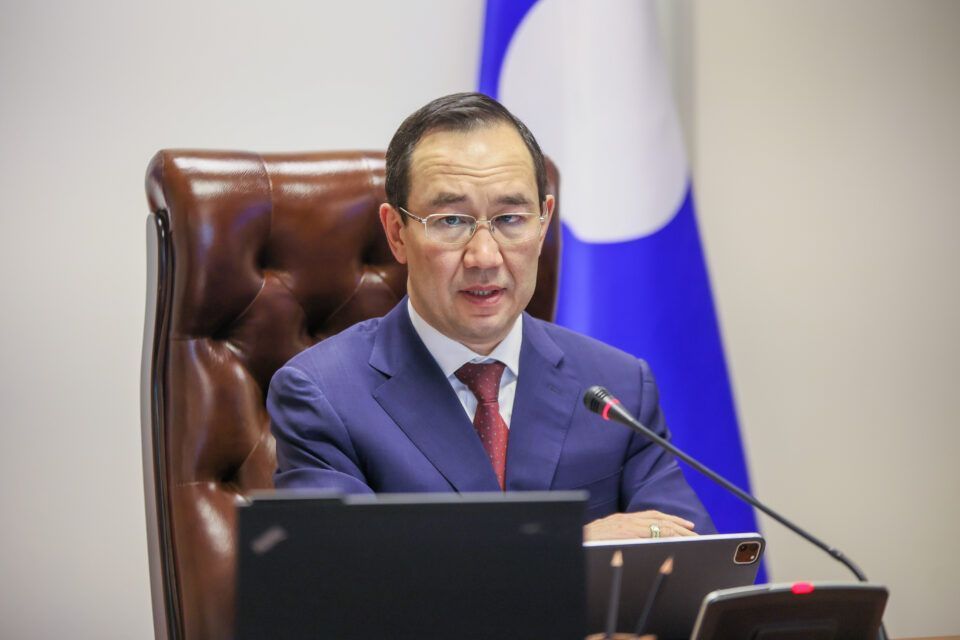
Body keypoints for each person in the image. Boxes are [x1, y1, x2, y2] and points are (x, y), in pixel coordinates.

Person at [267, 92, 714, 540]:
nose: (484, 256)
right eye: (450, 220)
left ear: (544, 222)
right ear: (396, 233)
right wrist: (571, 547)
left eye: (511, 218)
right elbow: (346, 570)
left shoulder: (617, 387)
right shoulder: (322, 395)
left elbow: (689, 553)